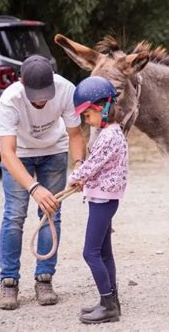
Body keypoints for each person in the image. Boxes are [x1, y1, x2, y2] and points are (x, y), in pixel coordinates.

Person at [0, 55, 86, 310]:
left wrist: (79, 166)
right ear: (21, 82)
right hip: (19, 155)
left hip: (54, 151)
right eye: (35, 94)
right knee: (14, 216)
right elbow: (7, 153)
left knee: (50, 215)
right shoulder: (10, 99)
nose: (41, 100)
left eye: (46, 93)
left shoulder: (66, 89)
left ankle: (44, 279)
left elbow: (76, 134)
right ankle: (9, 281)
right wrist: (34, 188)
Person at [67, 76, 128, 324]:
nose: (85, 121)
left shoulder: (109, 136)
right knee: (104, 252)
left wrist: (74, 177)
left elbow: (91, 165)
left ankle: (108, 305)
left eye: (87, 116)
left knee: (90, 252)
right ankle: (110, 300)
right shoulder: (111, 132)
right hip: (103, 198)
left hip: (103, 200)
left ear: (100, 109)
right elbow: (98, 167)